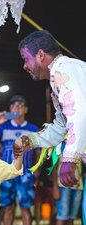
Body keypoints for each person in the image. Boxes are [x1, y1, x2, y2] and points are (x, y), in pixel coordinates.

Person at [13, 30, 86, 188]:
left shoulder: (64, 70)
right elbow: (61, 127)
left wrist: (69, 158)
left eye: (26, 59)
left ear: (40, 55)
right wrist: (31, 141)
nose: (24, 66)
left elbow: (79, 114)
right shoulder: (59, 75)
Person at [0, 95, 40, 225]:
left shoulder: (33, 129)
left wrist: (36, 171)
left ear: (26, 109)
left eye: (20, 105)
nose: (16, 108)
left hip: (25, 174)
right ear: (10, 109)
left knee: (25, 207)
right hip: (7, 174)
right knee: (7, 207)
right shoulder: (4, 127)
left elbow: (38, 151)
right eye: (13, 105)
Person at [53, 154, 83, 225]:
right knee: (62, 216)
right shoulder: (59, 145)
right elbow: (54, 167)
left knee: (72, 217)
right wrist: (55, 187)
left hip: (78, 186)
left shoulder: (81, 145)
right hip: (62, 186)